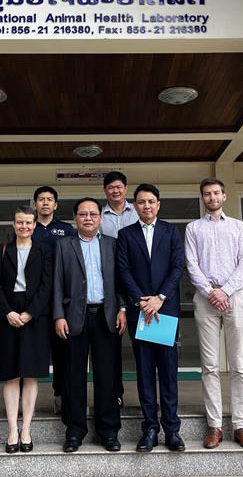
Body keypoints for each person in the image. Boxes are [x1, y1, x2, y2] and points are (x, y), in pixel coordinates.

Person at [185, 178, 243, 450]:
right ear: (202, 198)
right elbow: (191, 264)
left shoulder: (238, 227)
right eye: (207, 194)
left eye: (216, 193)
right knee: (210, 366)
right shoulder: (193, 228)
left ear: (224, 196)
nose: (212, 197)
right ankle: (214, 425)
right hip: (205, 299)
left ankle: (240, 425)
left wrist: (224, 291)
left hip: (235, 298)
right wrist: (211, 291)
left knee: (238, 365)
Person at [53, 197, 127, 453]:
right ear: (75, 218)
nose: (88, 218)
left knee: (107, 376)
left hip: (106, 316)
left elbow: (119, 281)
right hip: (75, 317)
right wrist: (58, 315)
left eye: (93, 214)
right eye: (83, 214)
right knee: (73, 376)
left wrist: (123, 309)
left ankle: (108, 431)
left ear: (100, 218)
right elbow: (57, 283)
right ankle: (75, 430)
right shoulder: (64, 245)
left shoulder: (112, 245)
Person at [116, 183, 186, 452]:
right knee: (145, 372)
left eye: (151, 201)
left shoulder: (170, 231)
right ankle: (149, 429)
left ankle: (171, 429)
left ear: (158, 204)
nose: (146, 206)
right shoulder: (126, 234)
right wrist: (142, 301)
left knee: (168, 372)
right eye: (141, 202)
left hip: (165, 311)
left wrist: (160, 299)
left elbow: (177, 266)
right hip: (141, 312)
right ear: (134, 205)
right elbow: (123, 271)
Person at [0, 205, 53, 454]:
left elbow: (47, 285)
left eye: (28, 222)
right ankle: (12, 429)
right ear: (13, 224)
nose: (24, 226)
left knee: (31, 373)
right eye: (20, 222)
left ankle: (27, 429)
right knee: (11, 373)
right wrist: (7, 312)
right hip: (8, 313)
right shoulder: (2, 250)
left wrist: (30, 313)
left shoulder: (44, 250)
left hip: (35, 315)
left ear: (35, 225)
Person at [30, 185, 75, 415]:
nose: (45, 203)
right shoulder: (29, 228)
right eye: (41, 199)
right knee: (33, 351)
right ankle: (27, 400)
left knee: (62, 353)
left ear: (56, 205)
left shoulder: (67, 230)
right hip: (33, 302)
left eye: (49, 199)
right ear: (35, 204)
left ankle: (61, 395)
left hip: (61, 301)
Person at [99, 171, 138, 408]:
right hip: (111, 282)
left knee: (143, 344)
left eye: (119, 187)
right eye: (111, 187)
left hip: (138, 282)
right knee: (111, 345)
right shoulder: (99, 215)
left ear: (126, 189)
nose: (115, 191)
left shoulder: (137, 212)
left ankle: (148, 396)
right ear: (106, 191)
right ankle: (116, 392)